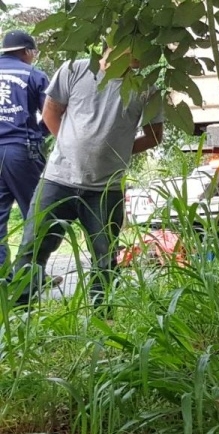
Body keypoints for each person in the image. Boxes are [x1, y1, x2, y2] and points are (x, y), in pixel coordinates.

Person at [10, 48, 165, 305]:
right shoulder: (75, 69)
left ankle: (102, 315)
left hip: (106, 188)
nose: (142, 52)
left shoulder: (147, 88)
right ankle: (19, 309)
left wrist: (117, 154)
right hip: (58, 179)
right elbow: (50, 112)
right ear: (114, 45)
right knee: (33, 248)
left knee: (105, 258)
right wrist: (71, 147)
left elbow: (154, 136)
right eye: (136, 43)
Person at [0, 30, 49, 269]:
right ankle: (28, 277)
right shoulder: (33, 74)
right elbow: (51, 115)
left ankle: (3, 281)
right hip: (22, 151)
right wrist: (41, 133)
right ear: (26, 51)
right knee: (38, 214)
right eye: (34, 52)